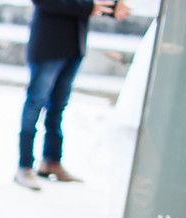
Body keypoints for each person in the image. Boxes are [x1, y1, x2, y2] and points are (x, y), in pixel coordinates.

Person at [15, 0, 132, 190]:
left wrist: (112, 7)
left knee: (58, 107)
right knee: (35, 104)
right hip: (49, 44)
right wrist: (88, 7)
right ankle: (25, 166)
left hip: (74, 45)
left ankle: (51, 161)